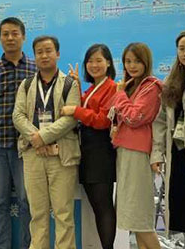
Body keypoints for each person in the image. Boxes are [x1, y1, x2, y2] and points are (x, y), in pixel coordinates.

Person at [12, 35, 81, 249]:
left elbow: (71, 118)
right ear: (34, 56)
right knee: (38, 213)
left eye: (48, 51)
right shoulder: (26, 84)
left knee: (63, 213)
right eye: (39, 52)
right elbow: (18, 116)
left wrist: (43, 136)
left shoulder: (70, 84)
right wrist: (36, 137)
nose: (44, 55)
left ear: (57, 54)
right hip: (33, 155)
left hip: (62, 155)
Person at [0, 17, 36, 249]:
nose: (10, 38)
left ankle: (28, 246)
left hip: (27, 147)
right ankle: (0, 246)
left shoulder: (35, 69)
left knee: (26, 201)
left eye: (14, 33)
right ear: (0, 38)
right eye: (5, 34)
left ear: (23, 36)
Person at [60, 44, 117, 249]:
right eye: (90, 61)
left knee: (103, 207)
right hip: (88, 151)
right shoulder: (93, 88)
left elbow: (103, 120)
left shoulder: (112, 87)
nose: (94, 65)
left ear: (108, 63)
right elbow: (87, 108)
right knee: (97, 206)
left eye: (99, 60)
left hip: (101, 151)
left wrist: (75, 110)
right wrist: (76, 88)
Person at [151, 29, 185, 249]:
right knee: (182, 209)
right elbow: (160, 121)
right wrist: (157, 153)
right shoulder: (172, 80)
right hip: (178, 154)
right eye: (182, 49)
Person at [109, 42, 162, 249]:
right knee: (134, 220)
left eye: (137, 61)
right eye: (128, 61)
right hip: (125, 151)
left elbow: (134, 117)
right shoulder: (133, 86)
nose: (132, 66)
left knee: (140, 219)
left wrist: (120, 94)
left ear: (146, 62)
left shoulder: (151, 86)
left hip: (137, 153)